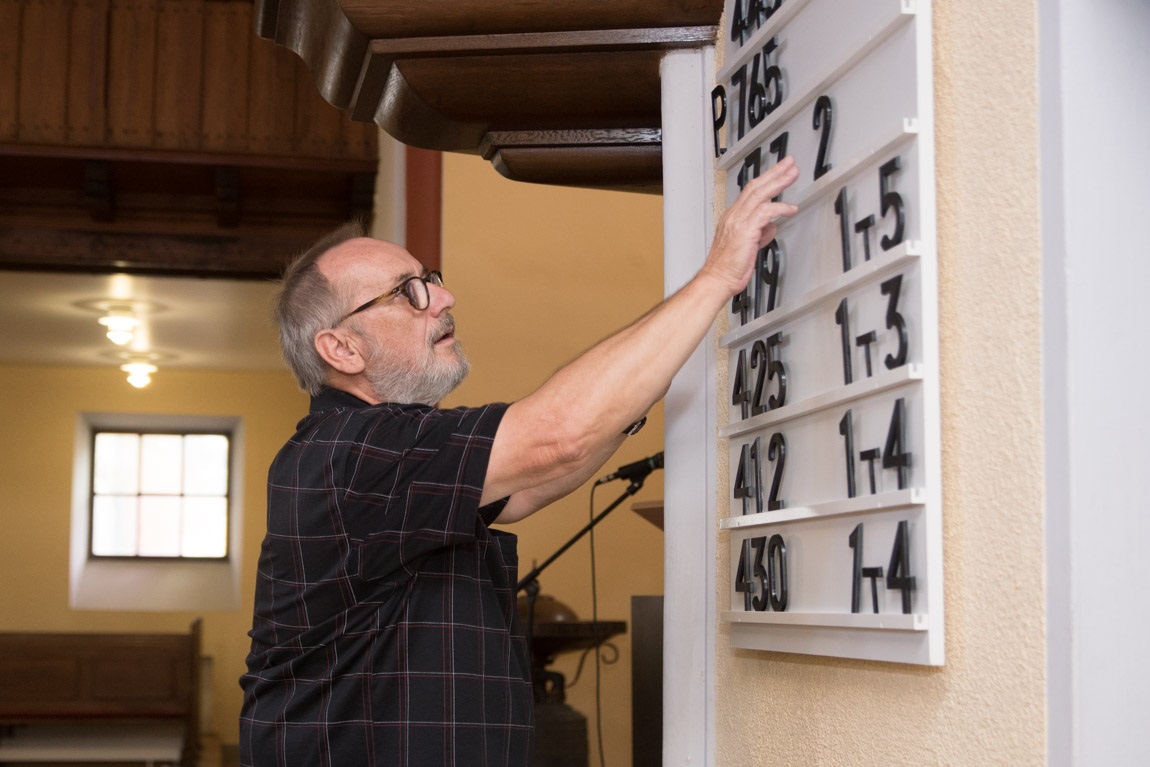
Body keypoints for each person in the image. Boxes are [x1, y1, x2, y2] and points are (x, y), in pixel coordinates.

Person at [239, 157, 800, 766]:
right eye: (408, 291)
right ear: (342, 347)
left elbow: (543, 476)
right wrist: (718, 275)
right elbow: (555, 437)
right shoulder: (348, 453)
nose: (444, 297)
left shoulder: (388, 449)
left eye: (430, 276)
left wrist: (635, 384)